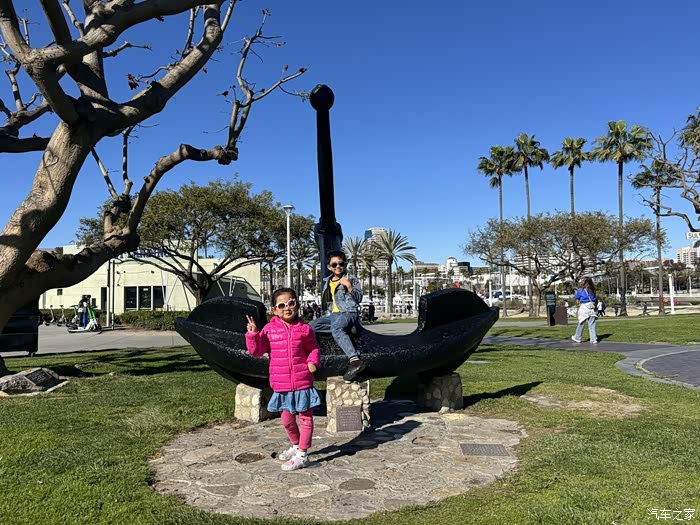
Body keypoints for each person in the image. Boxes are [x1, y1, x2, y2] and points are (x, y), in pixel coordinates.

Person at [245, 288, 320, 471]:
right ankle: (295, 445)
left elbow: (313, 348)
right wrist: (253, 335)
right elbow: (256, 351)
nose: (287, 308)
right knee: (287, 420)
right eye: (282, 305)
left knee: (305, 419)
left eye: (291, 303)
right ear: (275, 310)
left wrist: (312, 361)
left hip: (302, 381)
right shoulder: (269, 330)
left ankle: (302, 455)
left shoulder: (305, 329)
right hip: (282, 384)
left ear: (297, 305)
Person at [310, 250, 365, 382]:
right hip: (333, 315)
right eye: (334, 265)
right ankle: (348, 329)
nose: (338, 267)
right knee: (310, 327)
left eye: (341, 264)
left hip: (348, 312)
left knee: (337, 328)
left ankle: (355, 360)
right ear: (329, 267)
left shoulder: (351, 279)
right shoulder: (327, 281)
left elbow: (359, 299)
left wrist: (349, 287)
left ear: (345, 264)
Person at [571, 277, 598, 344]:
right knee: (592, 324)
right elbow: (595, 299)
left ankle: (577, 337)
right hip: (592, 309)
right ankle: (593, 339)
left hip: (584, 308)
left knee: (581, 323)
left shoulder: (580, 290)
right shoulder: (592, 290)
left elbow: (576, 297)